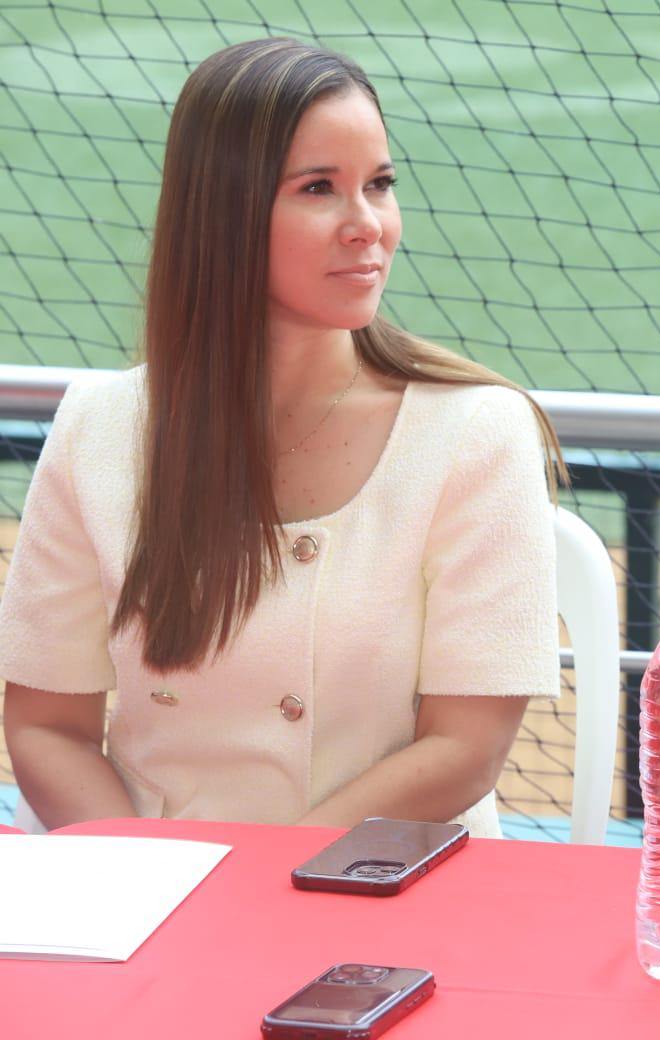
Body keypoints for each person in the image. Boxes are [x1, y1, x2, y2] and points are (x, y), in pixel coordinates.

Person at [0, 38, 564, 839]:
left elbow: (465, 748)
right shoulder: (99, 425)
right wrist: (140, 868)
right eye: (319, 189)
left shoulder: (477, 431)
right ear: (222, 211)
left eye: (380, 184)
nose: (368, 226)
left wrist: (264, 882)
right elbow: (46, 726)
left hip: (380, 885)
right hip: (149, 889)